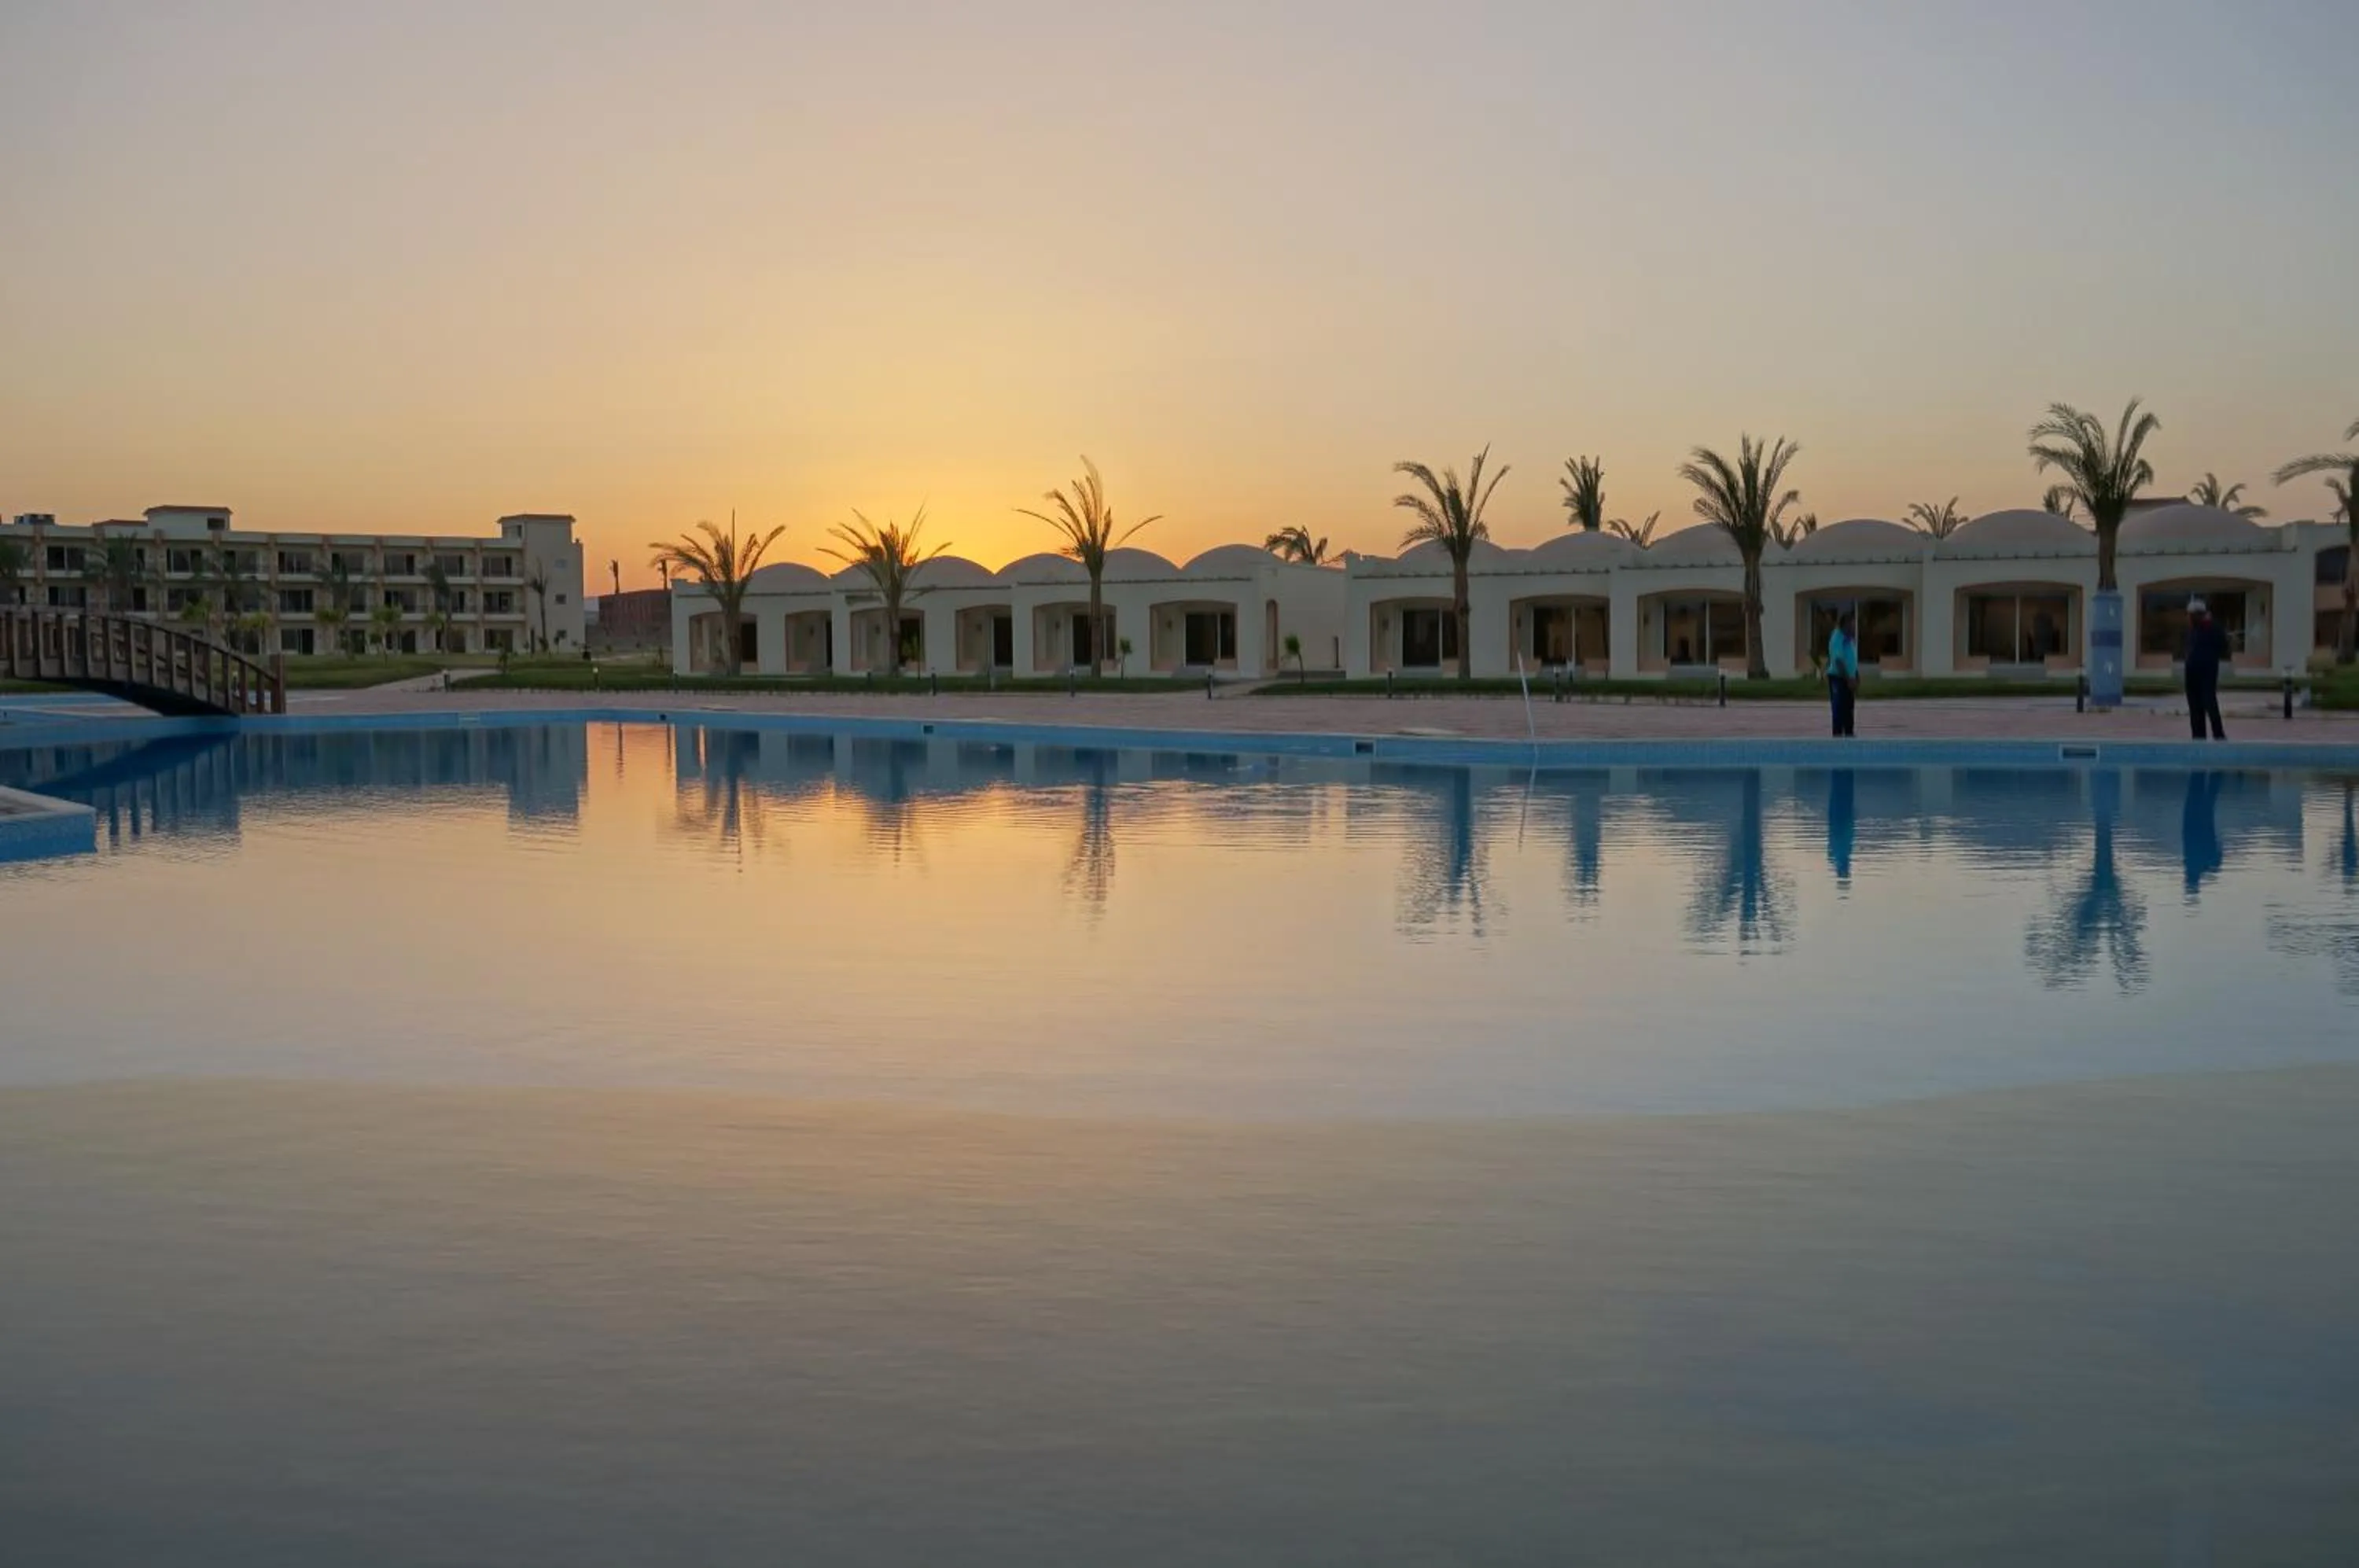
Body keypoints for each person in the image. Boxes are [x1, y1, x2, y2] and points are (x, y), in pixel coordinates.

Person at [2182, 596, 2228, 741]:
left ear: (2198, 615)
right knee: (2195, 707)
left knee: (2209, 702)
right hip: (2192, 673)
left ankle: (2218, 735)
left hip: (2207, 672)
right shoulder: (2192, 630)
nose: (2188, 618)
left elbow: (2224, 647)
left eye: (2191, 615)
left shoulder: (2214, 628)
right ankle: (2198, 736)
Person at [1826, 609, 1860, 738]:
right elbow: (1838, 661)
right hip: (1838, 679)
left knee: (1849, 708)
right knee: (1839, 708)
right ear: (1845, 625)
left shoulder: (1849, 639)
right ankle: (1838, 736)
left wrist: (1856, 675)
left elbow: (1852, 659)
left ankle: (1849, 733)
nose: (1854, 628)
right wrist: (1848, 679)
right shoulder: (1837, 637)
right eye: (1852, 625)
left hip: (1848, 678)